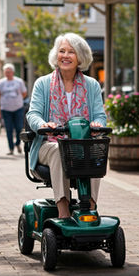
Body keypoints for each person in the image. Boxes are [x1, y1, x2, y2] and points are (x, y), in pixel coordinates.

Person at [26, 33, 106, 219]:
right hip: (48, 143)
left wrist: (97, 124)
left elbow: (100, 116)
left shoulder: (92, 85)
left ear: (80, 57)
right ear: (56, 55)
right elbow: (33, 113)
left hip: (81, 142)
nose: (65, 55)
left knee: (94, 149)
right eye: (62, 51)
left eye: (71, 52)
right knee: (59, 149)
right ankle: (63, 211)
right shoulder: (43, 84)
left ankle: (90, 209)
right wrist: (43, 124)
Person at [0, 63, 27, 155]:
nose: (7, 73)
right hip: (5, 109)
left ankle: (17, 143)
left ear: (13, 72)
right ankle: (11, 148)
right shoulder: (1, 83)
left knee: (19, 128)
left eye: (9, 72)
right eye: (6, 72)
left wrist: (18, 100)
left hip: (18, 108)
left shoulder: (19, 81)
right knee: (8, 129)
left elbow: (24, 93)